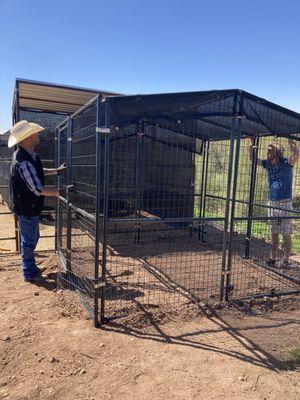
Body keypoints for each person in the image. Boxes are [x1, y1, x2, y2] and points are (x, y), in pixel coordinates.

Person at [8, 120, 65, 282]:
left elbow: (37, 172)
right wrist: (61, 192)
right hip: (26, 207)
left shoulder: (29, 156)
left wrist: (56, 171)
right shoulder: (23, 161)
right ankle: (29, 272)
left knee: (33, 237)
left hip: (29, 206)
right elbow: (37, 188)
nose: (37, 136)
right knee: (29, 240)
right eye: (34, 134)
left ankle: (31, 268)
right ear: (27, 139)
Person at [249, 136, 299, 268]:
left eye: (270, 150)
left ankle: (286, 260)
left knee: (286, 234)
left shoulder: (286, 163)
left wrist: (291, 141)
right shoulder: (268, 164)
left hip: (284, 203)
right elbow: (253, 159)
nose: (267, 152)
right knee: (274, 233)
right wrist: (251, 143)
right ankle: (273, 258)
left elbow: (295, 155)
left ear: (277, 152)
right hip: (272, 203)